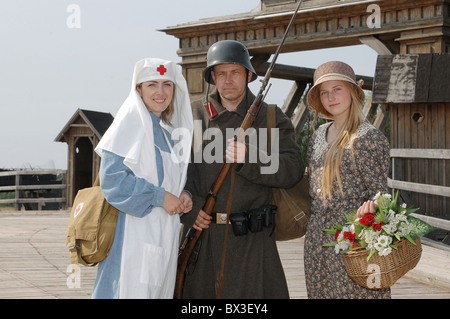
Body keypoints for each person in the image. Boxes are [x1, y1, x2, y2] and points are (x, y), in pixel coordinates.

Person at [180, 40, 305, 299]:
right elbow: (173, 172)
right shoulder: (190, 116)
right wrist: (189, 207)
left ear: (248, 75)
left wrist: (251, 158)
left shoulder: (271, 117)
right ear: (212, 77)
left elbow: (293, 169)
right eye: (221, 73)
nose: (228, 80)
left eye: (235, 72)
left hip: (254, 244)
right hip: (202, 241)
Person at [92, 58, 194, 299]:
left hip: (163, 237)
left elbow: (170, 182)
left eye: (167, 85)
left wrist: (182, 197)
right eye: (152, 85)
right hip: (133, 237)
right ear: (139, 89)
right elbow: (113, 182)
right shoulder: (128, 125)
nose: (161, 92)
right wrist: (160, 197)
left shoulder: (166, 133)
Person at [304, 61, 391, 298]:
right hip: (317, 236)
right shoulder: (318, 135)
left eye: (337, 89)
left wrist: (369, 210)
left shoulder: (368, 138)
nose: (331, 97)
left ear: (352, 92)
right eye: (324, 92)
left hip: (351, 237)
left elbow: (381, 195)